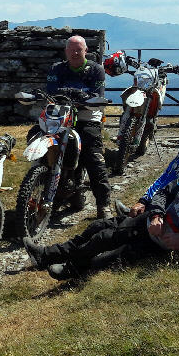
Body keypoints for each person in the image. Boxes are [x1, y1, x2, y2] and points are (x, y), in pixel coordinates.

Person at [23, 151, 179, 280]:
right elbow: (165, 191)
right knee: (99, 227)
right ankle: (48, 256)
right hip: (152, 223)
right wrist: (156, 214)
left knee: (103, 243)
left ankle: (69, 269)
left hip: (159, 244)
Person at [44, 35, 112, 218]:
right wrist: (79, 94)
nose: (75, 53)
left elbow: (97, 94)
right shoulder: (56, 69)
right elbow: (51, 92)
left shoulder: (96, 70)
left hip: (87, 115)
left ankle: (103, 204)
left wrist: (70, 93)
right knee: (43, 146)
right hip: (61, 115)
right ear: (65, 51)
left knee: (93, 155)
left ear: (86, 51)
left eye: (79, 49)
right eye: (71, 49)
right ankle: (42, 191)